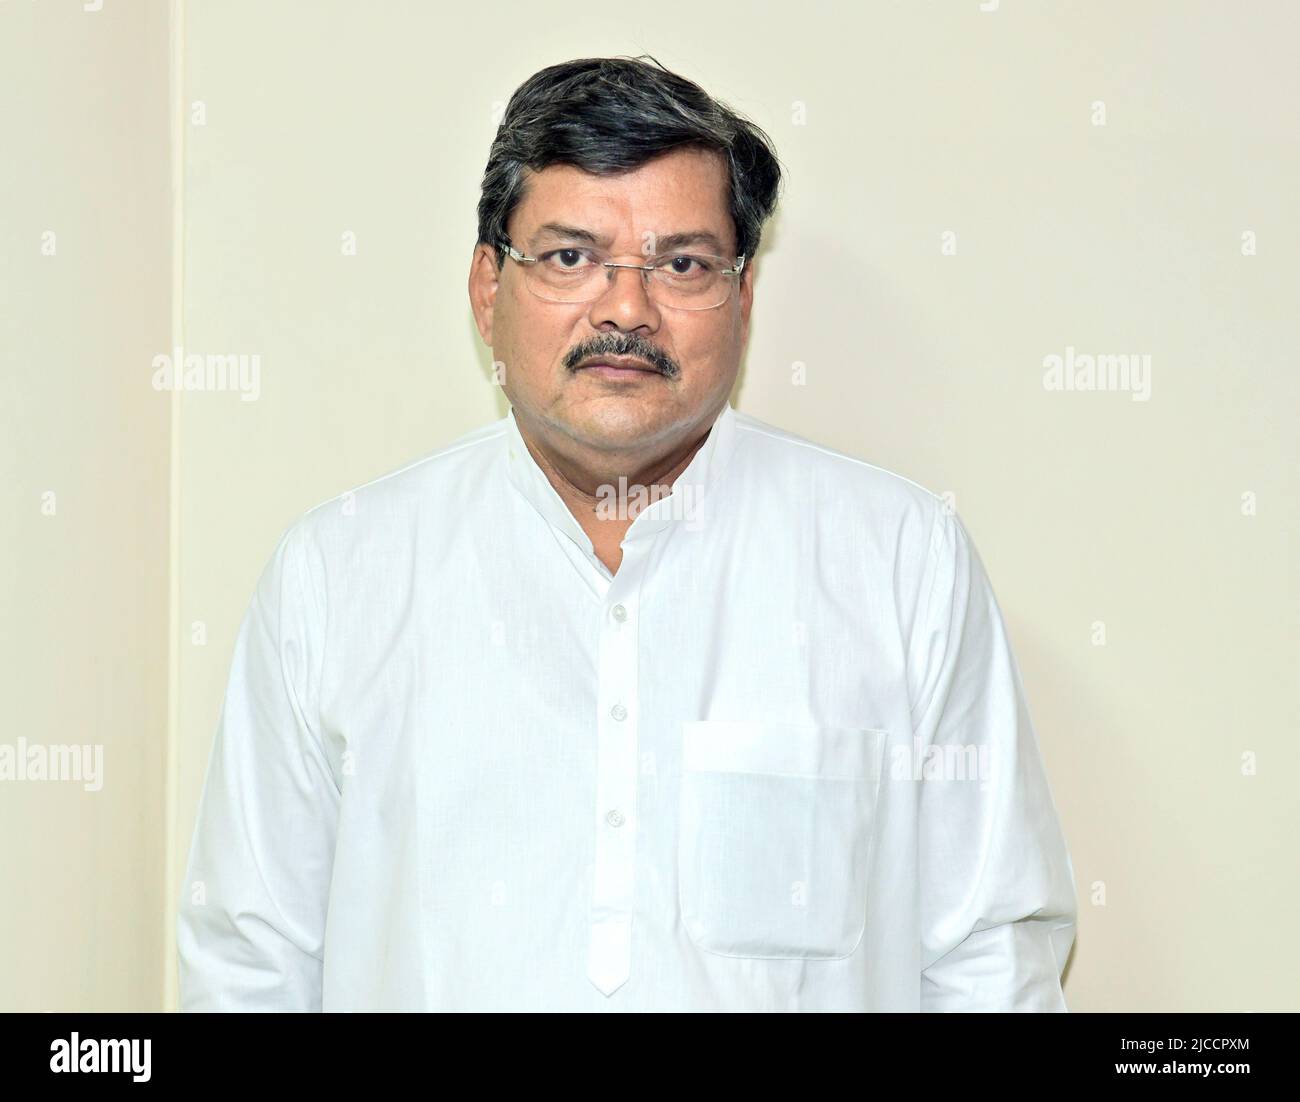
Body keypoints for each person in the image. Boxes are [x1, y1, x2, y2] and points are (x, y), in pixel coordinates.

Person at [178, 55, 1076, 1011]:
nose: (625, 308)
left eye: (682, 264)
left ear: (744, 298)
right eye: (570, 257)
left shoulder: (900, 563)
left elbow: (989, 963)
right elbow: (251, 965)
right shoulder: (339, 573)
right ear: (488, 291)